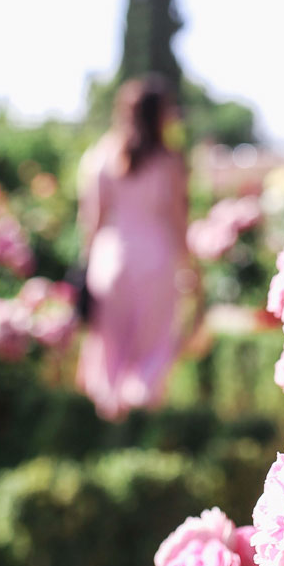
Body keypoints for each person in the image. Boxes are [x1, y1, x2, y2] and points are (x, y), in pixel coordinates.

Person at [76, 75, 195, 419]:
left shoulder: (101, 155)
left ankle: (112, 437)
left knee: (110, 360)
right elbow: (177, 221)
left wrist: (85, 267)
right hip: (156, 263)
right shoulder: (169, 163)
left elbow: (91, 221)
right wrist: (191, 271)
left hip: (109, 261)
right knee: (152, 354)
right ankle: (142, 438)